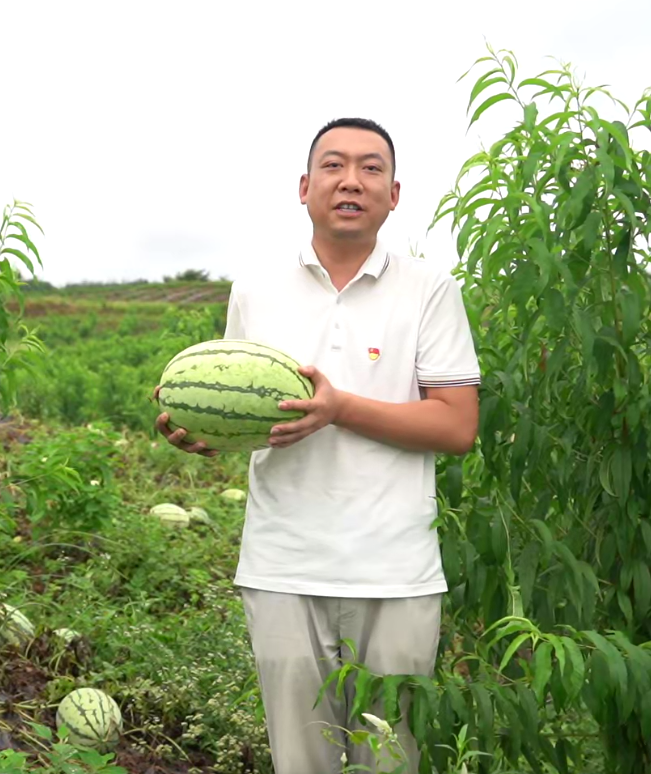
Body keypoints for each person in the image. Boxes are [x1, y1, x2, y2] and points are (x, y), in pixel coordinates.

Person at [154, 117, 481, 773]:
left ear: (394, 194)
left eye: (370, 167)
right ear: (304, 187)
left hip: (395, 568)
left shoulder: (431, 292)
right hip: (281, 562)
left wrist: (338, 409)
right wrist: (203, 435)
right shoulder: (255, 290)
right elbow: (244, 408)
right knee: (298, 761)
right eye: (332, 166)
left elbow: (455, 427)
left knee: (389, 757)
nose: (350, 181)